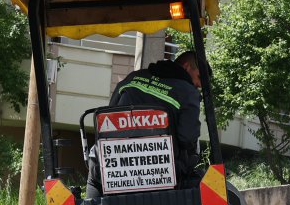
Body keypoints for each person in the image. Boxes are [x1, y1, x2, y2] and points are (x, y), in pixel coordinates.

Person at [86, 51, 203, 197]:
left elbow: (109, 114)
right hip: (163, 172)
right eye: (199, 77)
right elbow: (187, 138)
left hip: (115, 169)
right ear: (186, 66)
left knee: (95, 174)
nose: (199, 84)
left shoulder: (134, 77)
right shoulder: (189, 93)